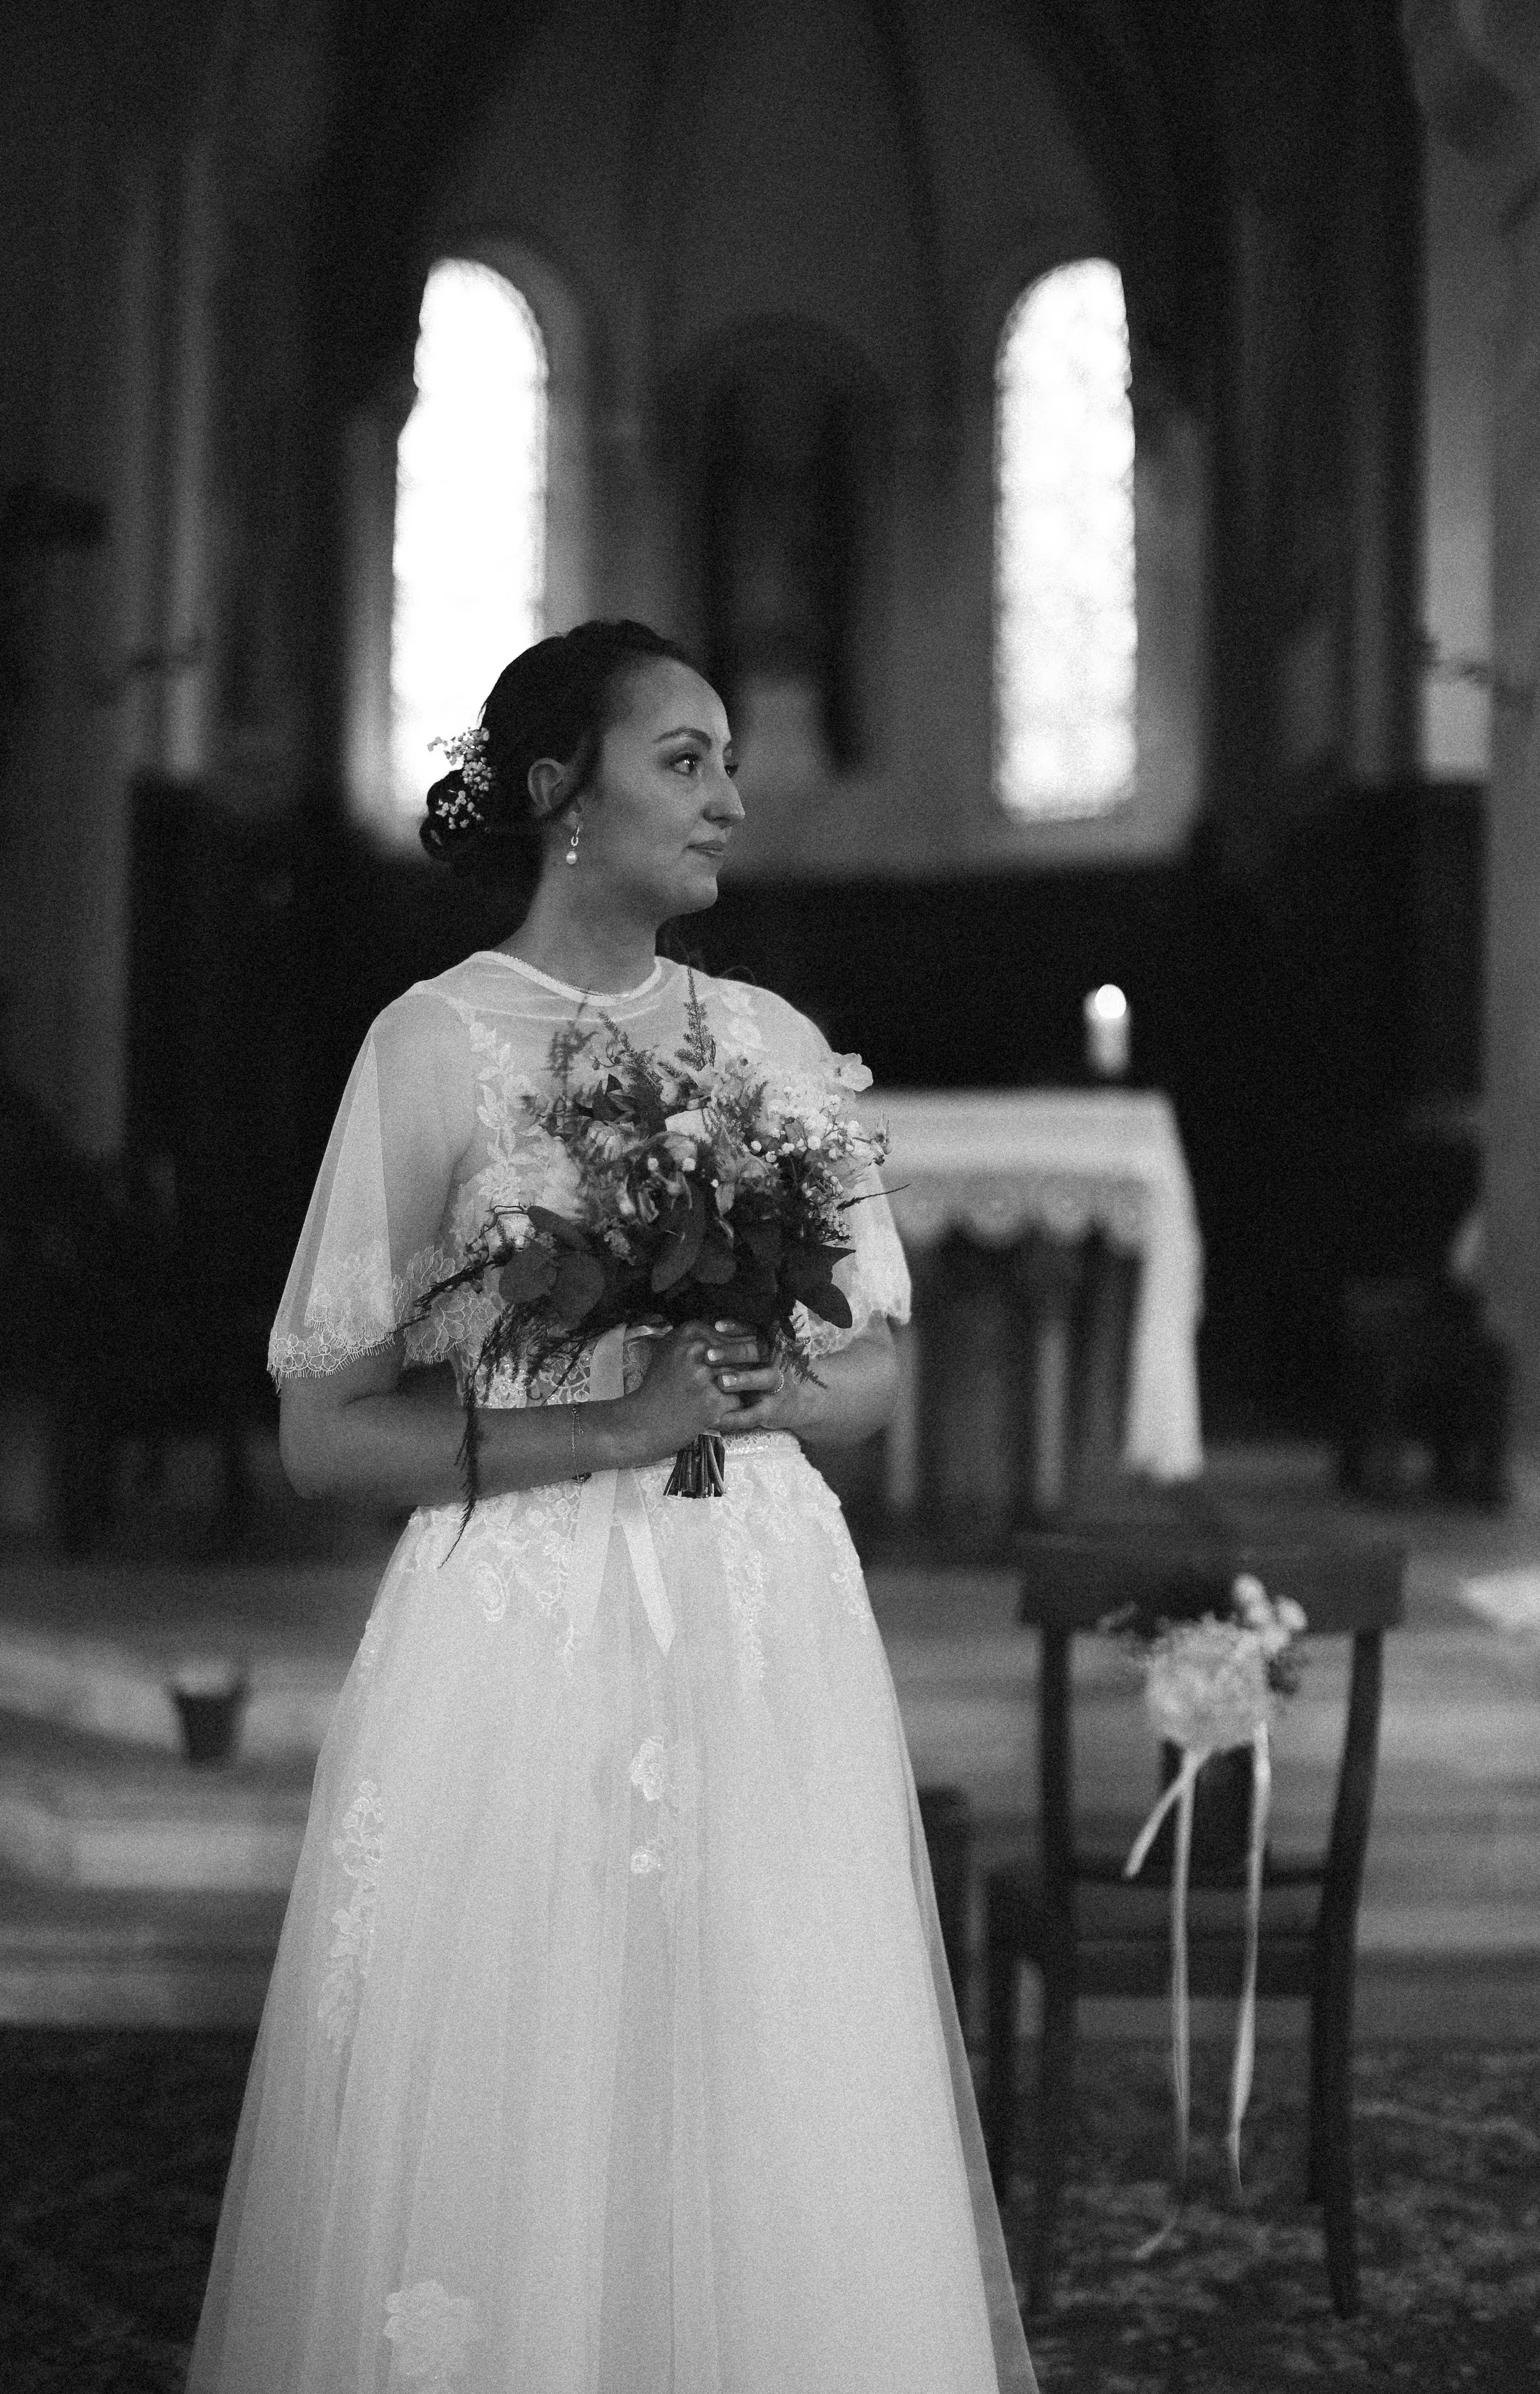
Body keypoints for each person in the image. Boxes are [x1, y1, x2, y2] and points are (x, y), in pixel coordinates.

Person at [187, 621, 1038, 2394]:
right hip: (527, 1627)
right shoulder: (433, 1046)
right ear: (563, 788)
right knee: (532, 2067)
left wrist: (753, 1393)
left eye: (731, 760)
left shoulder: (772, 1039)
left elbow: (870, 1372)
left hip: (756, 1605)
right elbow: (323, 1434)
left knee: (764, 2057)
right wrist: (609, 1427)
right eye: (685, 759)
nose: (732, 799)